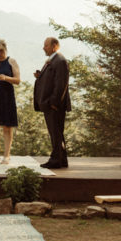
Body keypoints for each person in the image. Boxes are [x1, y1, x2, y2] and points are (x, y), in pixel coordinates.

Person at [34, 37, 70, 169]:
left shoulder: (60, 61)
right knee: (56, 132)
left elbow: (61, 84)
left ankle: (55, 159)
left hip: (54, 105)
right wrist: (40, 76)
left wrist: (54, 102)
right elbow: (52, 79)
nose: (44, 48)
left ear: (54, 46)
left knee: (55, 132)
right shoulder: (53, 60)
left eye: (46, 45)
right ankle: (62, 159)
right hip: (50, 103)